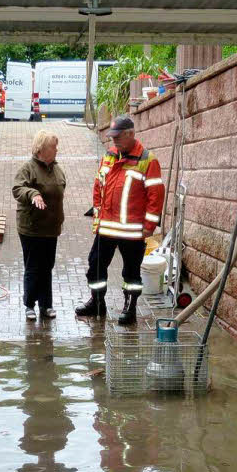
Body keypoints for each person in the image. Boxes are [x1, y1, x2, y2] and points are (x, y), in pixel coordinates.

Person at [76, 115, 164, 325]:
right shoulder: (110, 155)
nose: (113, 140)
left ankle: (130, 307)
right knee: (95, 265)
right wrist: (97, 215)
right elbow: (99, 185)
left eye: (117, 137)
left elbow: (156, 196)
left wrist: (149, 227)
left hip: (132, 231)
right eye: (112, 137)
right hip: (106, 227)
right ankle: (97, 303)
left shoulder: (147, 160)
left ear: (130, 134)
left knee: (131, 272)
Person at [12, 130, 66, 320]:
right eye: (53, 146)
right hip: (31, 228)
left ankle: (46, 305)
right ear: (41, 148)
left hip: (51, 228)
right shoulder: (28, 168)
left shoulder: (57, 168)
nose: (56, 149)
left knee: (47, 266)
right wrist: (33, 194)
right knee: (33, 266)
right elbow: (18, 189)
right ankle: (29, 305)